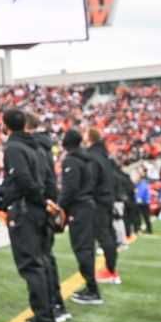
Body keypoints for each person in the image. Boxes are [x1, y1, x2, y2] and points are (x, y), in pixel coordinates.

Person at [0, 108, 57, 322]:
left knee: (32, 266)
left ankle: (44, 321)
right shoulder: (35, 145)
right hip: (36, 209)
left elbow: (22, 179)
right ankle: (47, 315)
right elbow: (47, 177)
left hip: (25, 210)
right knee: (41, 263)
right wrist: (48, 201)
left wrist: (40, 200)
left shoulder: (14, 146)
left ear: (7, 125)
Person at [25, 113, 68, 322]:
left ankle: (50, 310)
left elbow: (37, 180)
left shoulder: (35, 147)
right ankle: (55, 306)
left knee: (40, 262)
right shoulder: (43, 145)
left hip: (39, 208)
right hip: (47, 204)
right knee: (45, 259)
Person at [58, 129, 101, 306]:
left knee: (82, 248)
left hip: (79, 208)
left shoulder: (72, 160)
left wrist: (59, 207)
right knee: (86, 248)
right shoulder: (86, 158)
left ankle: (92, 290)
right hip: (87, 205)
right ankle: (91, 287)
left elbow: (70, 188)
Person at [83, 127, 121, 285]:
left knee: (103, 235)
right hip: (107, 199)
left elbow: (91, 180)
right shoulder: (104, 155)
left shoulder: (93, 156)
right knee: (108, 235)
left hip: (98, 200)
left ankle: (110, 271)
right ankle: (111, 269)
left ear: (90, 138)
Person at [132, 170, 153, 234]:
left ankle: (149, 229)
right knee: (138, 216)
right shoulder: (137, 184)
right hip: (139, 202)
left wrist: (139, 198)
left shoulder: (143, 183)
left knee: (145, 216)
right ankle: (139, 228)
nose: (135, 177)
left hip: (144, 202)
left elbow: (141, 192)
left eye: (136, 176)